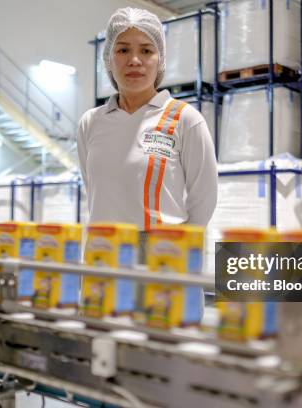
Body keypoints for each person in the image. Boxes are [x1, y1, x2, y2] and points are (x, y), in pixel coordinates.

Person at [77, 7, 218, 260]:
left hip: (163, 252)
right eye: (123, 50)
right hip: (103, 251)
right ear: (109, 58)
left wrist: (178, 250)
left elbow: (204, 198)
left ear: (160, 58)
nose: (134, 60)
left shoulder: (185, 119)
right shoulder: (91, 122)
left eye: (146, 50)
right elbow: (95, 189)